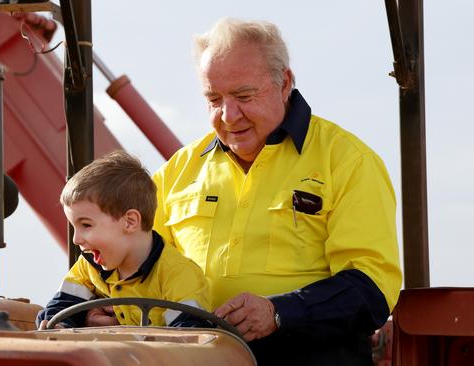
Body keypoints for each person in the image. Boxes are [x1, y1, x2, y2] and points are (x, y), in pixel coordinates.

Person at [152, 18, 402, 364]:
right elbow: (138, 265)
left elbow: (371, 290)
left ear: (284, 82)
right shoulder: (177, 171)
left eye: (243, 96)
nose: (228, 115)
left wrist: (279, 313)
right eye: (213, 99)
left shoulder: (347, 161)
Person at [36, 150, 211, 330]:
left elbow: (191, 335)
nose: (76, 239)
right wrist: (59, 325)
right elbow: (61, 306)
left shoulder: (179, 275)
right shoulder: (89, 265)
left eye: (86, 225)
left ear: (130, 222)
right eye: (74, 227)